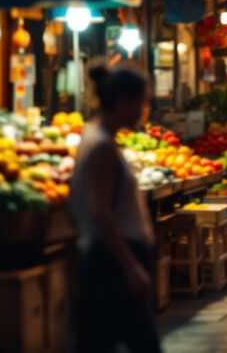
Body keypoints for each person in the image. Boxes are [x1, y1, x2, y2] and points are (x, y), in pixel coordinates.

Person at [70, 64, 161, 353]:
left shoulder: (94, 136)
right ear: (123, 102)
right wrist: (131, 266)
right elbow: (100, 211)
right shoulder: (102, 147)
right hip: (112, 260)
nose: (143, 110)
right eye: (142, 102)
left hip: (107, 257)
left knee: (99, 342)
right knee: (143, 342)